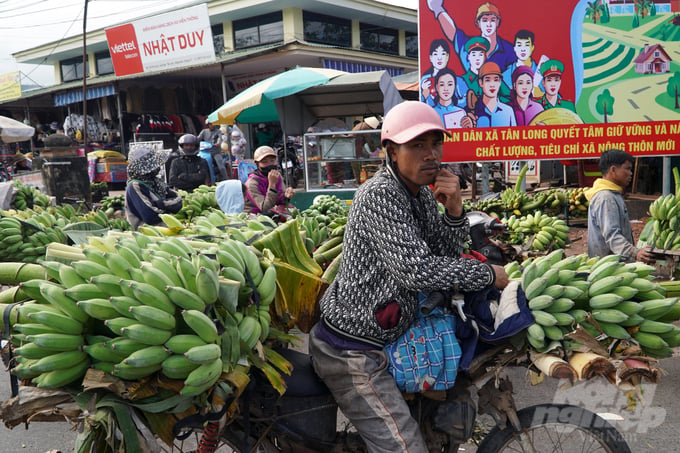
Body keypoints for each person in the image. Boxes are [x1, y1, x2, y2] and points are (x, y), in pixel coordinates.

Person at [308, 100, 508, 453]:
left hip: (387, 338)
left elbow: (441, 259)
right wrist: (487, 274)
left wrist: (455, 211)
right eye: (417, 146)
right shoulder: (380, 195)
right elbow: (417, 271)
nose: (430, 155)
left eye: (435, 144)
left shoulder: (417, 196)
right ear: (390, 150)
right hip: (351, 351)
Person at [586, 149, 655, 264]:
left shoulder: (613, 194)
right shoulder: (606, 198)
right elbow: (612, 235)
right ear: (613, 170)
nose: (631, 173)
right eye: (627, 169)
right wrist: (635, 252)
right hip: (610, 267)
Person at [427, 1, 515, 74]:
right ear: (478, 23)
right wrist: (437, 8)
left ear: (497, 22)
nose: (488, 24)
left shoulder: (508, 49)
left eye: (492, 20)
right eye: (484, 20)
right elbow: (453, 33)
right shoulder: (468, 45)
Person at [125, 147, 183, 230]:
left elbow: (178, 200)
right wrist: (165, 207)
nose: (158, 167)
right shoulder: (135, 186)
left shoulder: (155, 182)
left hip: (163, 228)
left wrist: (160, 204)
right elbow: (149, 216)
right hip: (147, 234)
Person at [243, 145, 295, 215]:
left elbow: (280, 200)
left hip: (273, 212)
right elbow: (265, 208)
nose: (270, 164)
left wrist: (286, 196)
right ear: (257, 164)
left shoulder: (277, 175)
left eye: (272, 161)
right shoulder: (252, 183)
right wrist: (272, 185)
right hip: (255, 216)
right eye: (265, 162)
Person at [473, 62, 517, 127]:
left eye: (496, 80)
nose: (492, 85)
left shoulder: (508, 111)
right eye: (488, 80)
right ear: (481, 83)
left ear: (500, 82)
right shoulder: (474, 111)